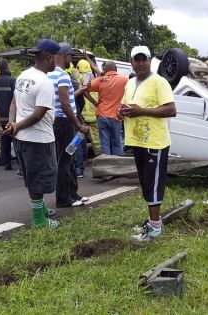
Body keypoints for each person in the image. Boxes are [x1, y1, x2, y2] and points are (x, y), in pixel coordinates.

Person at [120, 46, 176, 242]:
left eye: (144, 59)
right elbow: (126, 105)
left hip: (155, 142)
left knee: (153, 184)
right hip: (137, 142)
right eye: (137, 60)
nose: (141, 63)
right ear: (131, 62)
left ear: (150, 61)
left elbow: (171, 110)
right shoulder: (130, 83)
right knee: (145, 183)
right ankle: (153, 221)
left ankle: (155, 227)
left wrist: (141, 111)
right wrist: (123, 112)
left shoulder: (159, 82)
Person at [4, 38, 60, 227]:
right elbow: (38, 114)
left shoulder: (23, 75)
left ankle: (41, 210)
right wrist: (17, 126)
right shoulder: (44, 81)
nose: (57, 62)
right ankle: (39, 221)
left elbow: (14, 102)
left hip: (22, 138)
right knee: (40, 177)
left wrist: (13, 123)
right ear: (48, 57)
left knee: (33, 175)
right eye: (55, 58)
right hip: (38, 138)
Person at [47, 42, 90, 208]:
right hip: (64, 121)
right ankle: (64, 198)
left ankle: (73, 193)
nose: (71, 59)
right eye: (70, 56)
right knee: (65, 159)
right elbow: (65, 104)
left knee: (69, 157)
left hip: (58, 120)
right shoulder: (63, 75)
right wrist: (78, 124)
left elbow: (65, 98)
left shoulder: (49, 74)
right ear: (64, 56)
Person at [88, 60, 128, 155]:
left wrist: (94, 102)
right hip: (116, 116)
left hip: (102, 115)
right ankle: (117, 166)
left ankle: (106, 165)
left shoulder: (100, 80)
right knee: (117, 142)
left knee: (104, 143)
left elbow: (84, 88)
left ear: (105, 70)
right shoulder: (125, 80)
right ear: (116, 69)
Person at [0, 59, 16, 170]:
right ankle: (19, 161)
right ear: (7, 66)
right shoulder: (11, 81)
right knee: (15, 137)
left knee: (3, 138)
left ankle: (6, 163)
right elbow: (16, 99)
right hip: (10, 115)